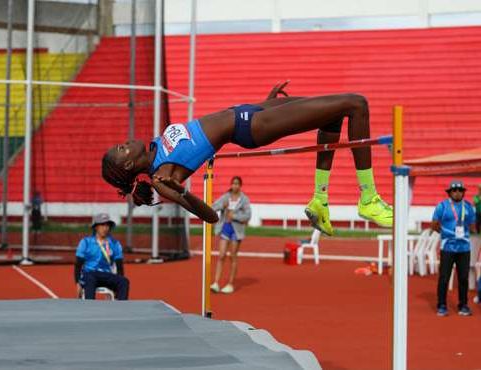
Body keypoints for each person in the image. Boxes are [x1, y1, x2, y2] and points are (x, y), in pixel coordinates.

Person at [101, 82, 392, 236]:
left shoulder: (156, 144)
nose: (126, 143)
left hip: (250, 114)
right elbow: (211, 217)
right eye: (122, 149)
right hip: (252, 128)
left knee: (333, 114)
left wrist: (266, 104)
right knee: (356, 103)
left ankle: (320, 199)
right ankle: (368, 198)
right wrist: (181, 192)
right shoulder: (161, 176)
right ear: (128, 166)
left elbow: (217, 120)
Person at [431, 180, 476, 316]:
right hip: (448, 248)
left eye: (460, 190)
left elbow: (472, 226)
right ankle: (442, 305)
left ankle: (463, 305)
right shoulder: (442, 206)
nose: (457, 193)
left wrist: (469, 231)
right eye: (454, 191)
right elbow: (434, 225)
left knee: (463, 278)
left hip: (464, 248)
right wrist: (445, 234)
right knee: (444, 277)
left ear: (463, 192)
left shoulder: (468, 207)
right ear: (450, 192)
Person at [210, 176, 251, 294]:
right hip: (225, 228)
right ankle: (216, 283)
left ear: (240, 186)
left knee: (232, 256)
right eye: (233, 183)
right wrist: (222, 206)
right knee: (221, 255)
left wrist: (235, 216)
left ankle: (230, 284)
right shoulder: (226, 197)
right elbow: (214, 206)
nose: (235, 186)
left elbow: (247, 216)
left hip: (236, 230)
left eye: (237, 184)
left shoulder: (244, 200)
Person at [75, 213, 129, 300]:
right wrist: (78, 283)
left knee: (123, 281)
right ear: (96, 227)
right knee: (89, 279)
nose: (105, 228)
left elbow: (119, 266)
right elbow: (78, 264)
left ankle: (121, 309)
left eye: (107, 225)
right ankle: (89, 308)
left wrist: (118, 283)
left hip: (106, 275)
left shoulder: (115, 244)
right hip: (90, 274)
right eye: (102, 225)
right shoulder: (86, 242)